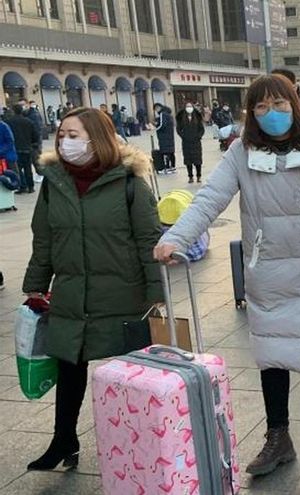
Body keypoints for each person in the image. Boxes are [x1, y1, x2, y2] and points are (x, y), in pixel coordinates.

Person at [153, 75, 300, 476]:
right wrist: (177, 236)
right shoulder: (241, 152)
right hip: (269, 268)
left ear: (294, 105)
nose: (270, 114)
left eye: (278, 105)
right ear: (250, 113)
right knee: (272, 353)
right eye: (260, 107)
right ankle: (278, 437)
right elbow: (210, 198)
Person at [23, 107, 162, 471]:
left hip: (123, 295)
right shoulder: (54, 184)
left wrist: (156, 293)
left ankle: (140, 447)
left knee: (131, 377)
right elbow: (45, 239)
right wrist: (35, 285)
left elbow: (149, 240)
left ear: (96, 138)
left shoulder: (129, 182)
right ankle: (63, 440)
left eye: (74, 135)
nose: (65, 142)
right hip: (71, 294)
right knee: (70, 367)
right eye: (62, 135)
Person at [6, 105, 40, 194]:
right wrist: (33, 144)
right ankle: (31, 187)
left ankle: (22, 186)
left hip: (15, 148)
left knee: (18, 169)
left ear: (13, 111)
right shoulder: (29, 122)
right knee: (28, 168)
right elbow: (35, 136)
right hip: (27, 148)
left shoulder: (9, 122)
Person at [176, 102, 205, 183]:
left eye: (190, 106)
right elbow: (178, 129)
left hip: (196, 142)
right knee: (188, 161)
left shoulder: (197, 118)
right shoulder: (182, 118)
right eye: (187, 106)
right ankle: (190, 177)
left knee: (197, 161)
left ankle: (199, 176)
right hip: (186, 142)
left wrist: (199, 136)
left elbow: (202, 129)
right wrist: (183, 136)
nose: (189, 108)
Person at [153, 103, 176, 173]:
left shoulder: (162, 114)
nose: (156, 110)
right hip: (169, 136)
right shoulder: (168, 114)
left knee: (166, 152)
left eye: (156, 108)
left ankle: (167, 167)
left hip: (164, 137)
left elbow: (162, 125)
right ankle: (172, 167)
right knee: (171, 152)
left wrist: (155, 127)